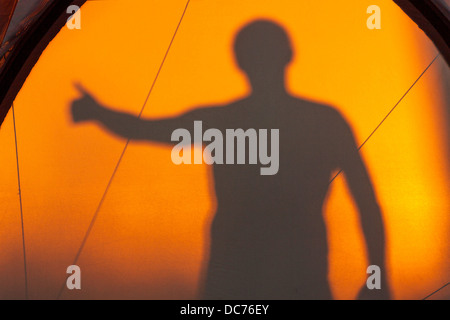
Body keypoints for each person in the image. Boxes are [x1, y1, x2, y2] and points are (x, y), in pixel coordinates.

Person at [71, 19, 390, 299]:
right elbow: (366, 201)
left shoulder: (225, 122)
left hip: (252, 280)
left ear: (239, 62)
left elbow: (144, 130)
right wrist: (377, 275)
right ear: (289, 55)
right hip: (287, 279)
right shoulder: (322, 121)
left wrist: (98, 113)